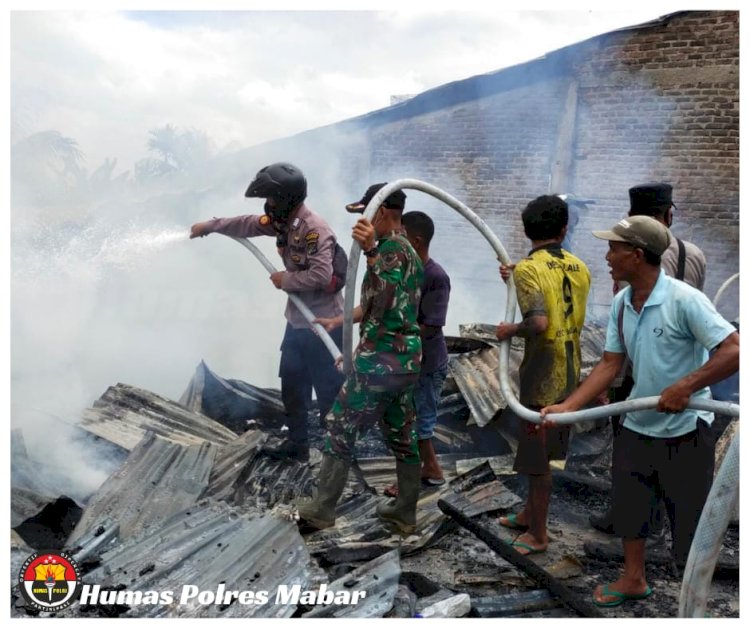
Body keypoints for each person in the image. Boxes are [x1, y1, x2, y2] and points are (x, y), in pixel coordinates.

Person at [540, 215, 739, 607]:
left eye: (614, 248)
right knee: (631, 510)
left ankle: (693, 600)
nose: (607, 255)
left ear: (636, 254)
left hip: (684, 429)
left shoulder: (684, 300)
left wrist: (685, 387)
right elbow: (610, 364)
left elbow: (734, 349)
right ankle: (633, 578)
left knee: (690, 523)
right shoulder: (621, 302)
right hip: (637, 423)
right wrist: (568, 407)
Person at [190, 162, 344, 463]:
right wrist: (211, 226)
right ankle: (298, 446)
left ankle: (335, 457)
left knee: (329, 395)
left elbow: (322, 276)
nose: (268, 206)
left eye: (272, 199)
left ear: (287, 199)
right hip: (298, 322)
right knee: (292, 386)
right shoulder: (282, 221)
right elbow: (248, 224)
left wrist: (285, 280)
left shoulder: (314, 230)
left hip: (325, 325)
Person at [297, 183, 424, 535]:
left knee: (340, 426)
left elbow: (384, 296)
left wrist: (369, 250)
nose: (361, 222)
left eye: (366, 213)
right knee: (402, 434)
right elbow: (377, 305)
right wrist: (339, 320)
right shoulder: (406, 250)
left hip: (381, 363)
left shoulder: (388, 252)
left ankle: (322, 509)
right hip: (404, 361)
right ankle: (404, 513)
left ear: (381, 212)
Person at [590, 182, 707, 534]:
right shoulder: (694, 254)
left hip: (642, 378)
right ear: (669, 214)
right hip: (685, 371)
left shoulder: (638, 274)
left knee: (635, 459)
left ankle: (638, 519)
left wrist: (611, 382)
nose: (610, 257)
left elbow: (629, 327)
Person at [495, 195, 591, 556]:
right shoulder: (580, 267)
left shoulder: (529, 269)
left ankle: (538, 534)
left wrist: (509, 331)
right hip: (571, 369)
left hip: (542, 375)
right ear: (564, 228)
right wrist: (518, 274)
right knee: (544, 454)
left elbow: (538, 322)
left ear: (525, 229)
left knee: (538, 463)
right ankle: (527, 514)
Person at [383, 210, 451, 497]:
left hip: (427, 364)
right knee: (410, 421)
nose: (396, 243)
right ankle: (432, 470)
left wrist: (395, 339)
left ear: (417, 240)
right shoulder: (402, 271)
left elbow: (431, 327)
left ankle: (409, 481)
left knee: (414, 424)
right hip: (409, 361)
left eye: (401, 237)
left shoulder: (435, 277)